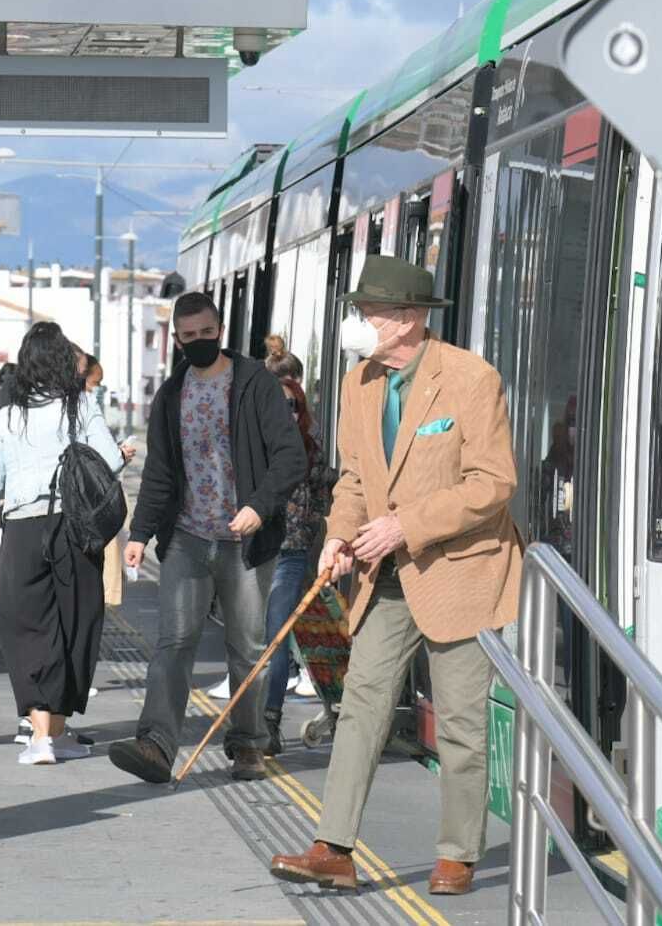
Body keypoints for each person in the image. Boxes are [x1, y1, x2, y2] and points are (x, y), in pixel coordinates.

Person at [269, 255, 522, 897]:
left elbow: (493, 484)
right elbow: (354, 479)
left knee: (462, 719)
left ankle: (458, 853)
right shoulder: (359, 384)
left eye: (371, 312)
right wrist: (336, 538)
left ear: (408, 319)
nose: (361, 323)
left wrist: (405, 525)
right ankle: (333, 846)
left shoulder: (471, 378)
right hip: (384, 574)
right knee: (362, 703)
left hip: (461, 570)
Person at [108, 291, 307, 784]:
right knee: (174, 640)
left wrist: (259, 508)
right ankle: (155, 744)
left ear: (221, 332)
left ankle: (247, 745)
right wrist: (141, 532)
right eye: (189, 336)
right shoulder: (171, 395)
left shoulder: (255, 384)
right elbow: (158, 472)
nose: (199, 342)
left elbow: (290, 456)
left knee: (247, 646)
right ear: (176, 339)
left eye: (207, 334)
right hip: (188, 537)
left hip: (246, 543)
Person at [0, 321, 125, 765]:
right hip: (74, 526)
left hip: (22, 527)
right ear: (63, 362)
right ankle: (55, 733)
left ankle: (43, 736)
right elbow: (113, 460)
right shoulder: (81, 407)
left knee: (27, 625)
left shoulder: (4, 418)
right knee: (75, 622)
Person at [263, 376, 332, 754]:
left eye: (294, 405)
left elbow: (322, 499)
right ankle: (249, 724)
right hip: (253, 553)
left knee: (276, 639)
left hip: (290, 553)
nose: (288, 412)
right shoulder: (254, 446)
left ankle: (269, 721)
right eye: (280, 404)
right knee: (250, 642)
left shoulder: (311, 450)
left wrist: (309, 529)